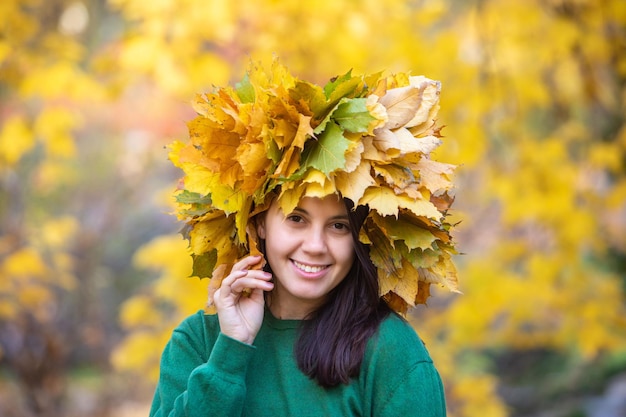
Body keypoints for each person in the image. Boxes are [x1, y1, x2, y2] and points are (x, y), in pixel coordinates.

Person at [149, 60, 459, 416]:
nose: (315, 245)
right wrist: (231, 349)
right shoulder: (198, 343)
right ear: (260, 222)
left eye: (338, 226)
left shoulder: (391, 354)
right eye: (297, 218)